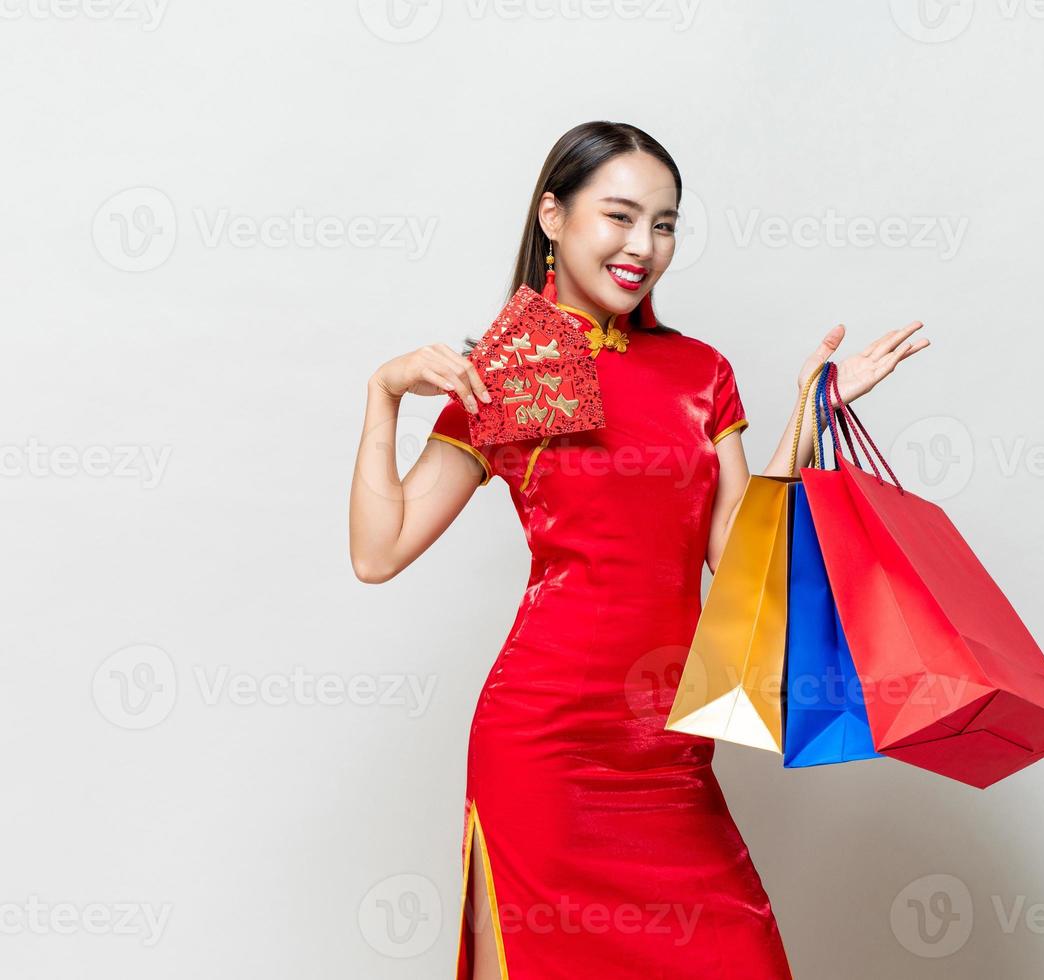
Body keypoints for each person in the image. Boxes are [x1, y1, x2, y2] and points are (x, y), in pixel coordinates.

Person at [348, 121, 928, 979]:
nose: (642, 246)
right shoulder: (506, 374)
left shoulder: (700, 373)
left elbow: (736, 562)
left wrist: (808, 414)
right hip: (541, 746)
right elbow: (379, 551)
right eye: (619, 217)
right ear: (552, 215)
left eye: (663, 224)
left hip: (667, 747)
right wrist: (384, 395)